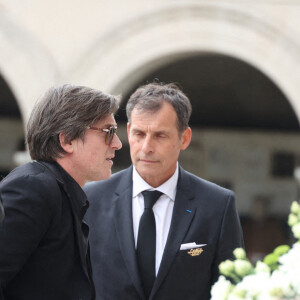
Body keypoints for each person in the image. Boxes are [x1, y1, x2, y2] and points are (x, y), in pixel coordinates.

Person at [84, 82, 244, 300]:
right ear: (128, 132)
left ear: (184, 138)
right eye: (139, 134)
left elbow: (232, 290)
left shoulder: (217, 205)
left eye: (160, 136)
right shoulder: (91, 199)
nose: (146, 147)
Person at [0, 84, 122, 300]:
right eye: (108, 132)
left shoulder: (59, 191)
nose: (118, 143)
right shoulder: (33, 188)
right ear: (66, 140)